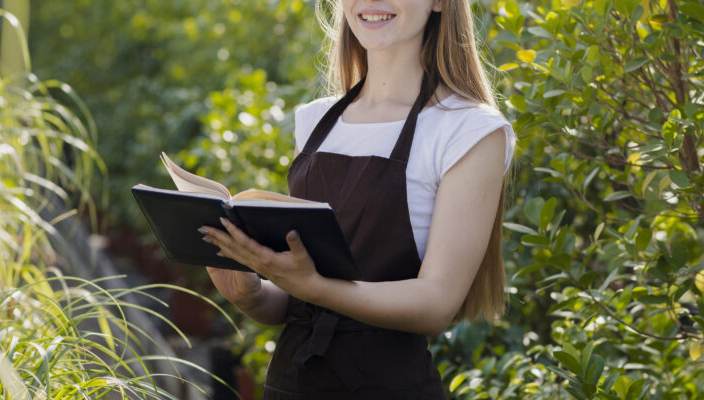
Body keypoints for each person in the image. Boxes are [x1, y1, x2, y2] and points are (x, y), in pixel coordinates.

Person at [198, 0, 517, 398]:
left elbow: (436, 304)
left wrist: (312, 286)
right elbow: (302, 304)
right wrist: (253, 292)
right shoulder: (316, 121)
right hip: (289, 386)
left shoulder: (469, 130)